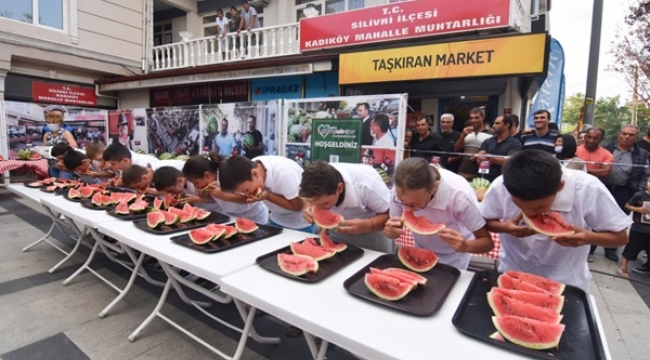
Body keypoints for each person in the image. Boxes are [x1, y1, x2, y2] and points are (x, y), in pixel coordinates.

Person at [479, 150, 631, 291]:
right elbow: (486, 221)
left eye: (539, 207)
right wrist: (506, 228)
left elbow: (621, 238)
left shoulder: (588, 188)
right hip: (512, 274)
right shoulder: (502, 185)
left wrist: (588, 238)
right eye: (519, 205)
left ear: (560, 187)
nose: (529, 213)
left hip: (567, 282)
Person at [383, 158, 494, 270]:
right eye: (403, 203)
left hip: (454, 256)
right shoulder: (399, 192)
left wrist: (465, 246)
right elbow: (395, 231)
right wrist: (390, 233)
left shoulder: (460, 197)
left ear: (434, 187)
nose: (409, 210)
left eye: (416, 204)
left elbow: (487, 243)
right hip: (419, 250)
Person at [299, 160, 393, 253]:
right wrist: (308, 207)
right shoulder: (314, 179)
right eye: (314, 202)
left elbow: (391, 214)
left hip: (373, 237)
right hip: (338, 234)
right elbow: (306, 198)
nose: (318, 208)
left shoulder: (367, 185)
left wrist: (368, 225)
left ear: (339, 188)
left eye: (324, 203)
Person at [218, 155, 314, 233]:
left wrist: (268, 196)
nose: (246, 194)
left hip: (301, 224)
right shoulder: (251, 167)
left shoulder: (284, 174)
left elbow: (297, 207)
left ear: (255, 174)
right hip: (276, 220)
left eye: (246, 190)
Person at [600, 124, 650, 261]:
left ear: (636, 137)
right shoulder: (606, 148)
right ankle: (591, 246)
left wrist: (639, 192)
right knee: (596, 214)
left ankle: (610, 249)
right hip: (603, 188)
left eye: (631, 135)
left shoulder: (642, 154)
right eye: (624, 133)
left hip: (624, 190)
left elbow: (646, 175)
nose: (627, 137)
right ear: (619, 134)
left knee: (617, 220)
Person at [182, 153, 268, 224]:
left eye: (196, 183)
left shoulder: (227, 177)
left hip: (254, 216)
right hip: (233, 216)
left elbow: (248, 199)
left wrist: (222, 195)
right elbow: (215, 200)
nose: (195, 186)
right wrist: (204, 197)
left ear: (207, 175)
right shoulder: (210, 184)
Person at [475, 115, 522, 182]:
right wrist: (498, 160)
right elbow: (479, 159)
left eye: (497, 123)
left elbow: (509, 162)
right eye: (494, 123)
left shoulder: (515, 143)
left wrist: (487, 156)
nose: (493, 126)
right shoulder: (488, 141)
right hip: (484, 181)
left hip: (503, 181)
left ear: (507, 125)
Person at [620, 178, 650, 277]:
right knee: (631, 248)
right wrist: (638, 209)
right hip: (638, 228)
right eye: (649, 181)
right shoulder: (640, 195)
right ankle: (623, 267)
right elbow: (627, 205)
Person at [455, 108, 493, 180]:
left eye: (476, 118)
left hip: (482, 172)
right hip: (464, 171)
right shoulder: (466, 131)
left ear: (483, 117)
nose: (473, 120)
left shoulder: (491, 133)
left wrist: (480, 155)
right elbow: (456, 149)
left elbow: (494, 151)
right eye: (471, 118)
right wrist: (462, 136)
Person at [43, 106, 78, 179]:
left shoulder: (66, 133)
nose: (51, 124)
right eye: (49, 122)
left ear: (60, 122)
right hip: (52, 165)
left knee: (63, 184)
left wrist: (61, 152)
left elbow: (74, 146)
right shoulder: (46, 135)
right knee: (55, 184)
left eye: (54, 122)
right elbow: (44, 148)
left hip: (64, 165)